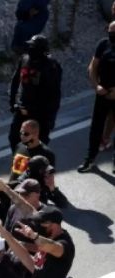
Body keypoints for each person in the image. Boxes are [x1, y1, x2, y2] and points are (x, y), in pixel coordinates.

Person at [8, 35, 62, 150]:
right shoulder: (24, 60)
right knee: (14, 138)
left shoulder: (51, 66)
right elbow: (15, 81)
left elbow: (55, 94)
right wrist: (12, 101)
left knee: (38, 143)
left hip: (41, 113)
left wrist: (51, 118)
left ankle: (36, 165)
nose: (30, 49)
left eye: (33, 47)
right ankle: (19, 164)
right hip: (22, 109)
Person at [79, 21, 115, 174]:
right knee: (96, 128)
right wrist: (96, 86)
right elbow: (93, 67)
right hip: (102, 93)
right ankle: (90, 159)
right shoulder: (103, 44)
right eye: (110, 31)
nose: (111, 35)